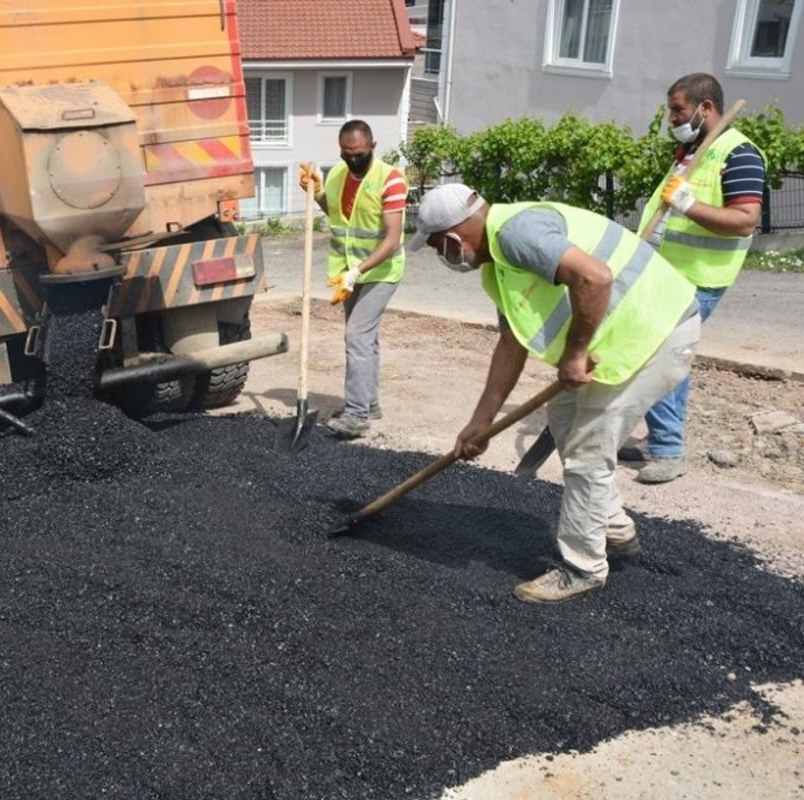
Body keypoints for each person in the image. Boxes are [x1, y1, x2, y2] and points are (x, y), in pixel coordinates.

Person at [410, 183, 700, 603]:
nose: (441, 255)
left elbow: (594, 277)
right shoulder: (497, 265)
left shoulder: (517, 233)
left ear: (453, 238)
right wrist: (481, 422)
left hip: (651, 334)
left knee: (587, 451)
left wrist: (576, 353)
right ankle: (613, 526)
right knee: (564, 420)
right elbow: (511, 344)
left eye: (437, 246)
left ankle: (583, 567)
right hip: (618, 339)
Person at [626, 73, 765, 484]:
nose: (672, 118)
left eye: (678, 110)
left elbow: (745, 220)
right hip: (664, 272)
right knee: (661, 353)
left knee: (662, 355)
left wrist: (688, 205)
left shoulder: (738, 153)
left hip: (696, 278)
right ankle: (659, 439)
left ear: (706, 108)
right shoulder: (692, 151)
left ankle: (668, 450)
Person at [299, 119, 407, 439]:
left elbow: (392, 239)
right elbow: (337, 213)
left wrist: (358, 271)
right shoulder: (338, 174)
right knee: (364, 338)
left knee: (357, 335)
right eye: (347, 154)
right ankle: (369, 404)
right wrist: (317, 192)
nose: (353, 159)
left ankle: (357, 415)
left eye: (359, 153)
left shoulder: (390, 180)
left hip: (382, 272)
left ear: (372, 147)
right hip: (349, 272)